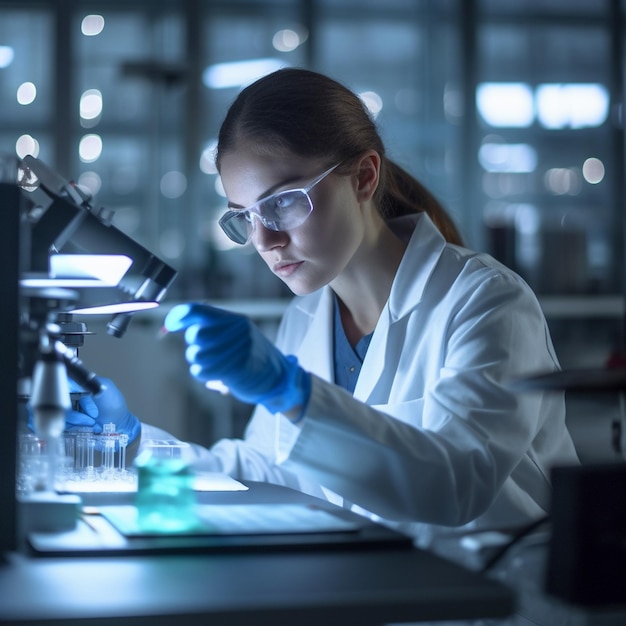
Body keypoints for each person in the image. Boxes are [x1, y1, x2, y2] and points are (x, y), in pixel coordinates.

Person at [67, 67, 579, 550]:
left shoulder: (485, 302)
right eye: (244, 216)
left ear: (363, 177)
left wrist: (293, 393)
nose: (264, 239)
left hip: (492, 605)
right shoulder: (309, 315)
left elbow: (457, 484)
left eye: (282, 202)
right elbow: (270, 471)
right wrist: (131, 444)